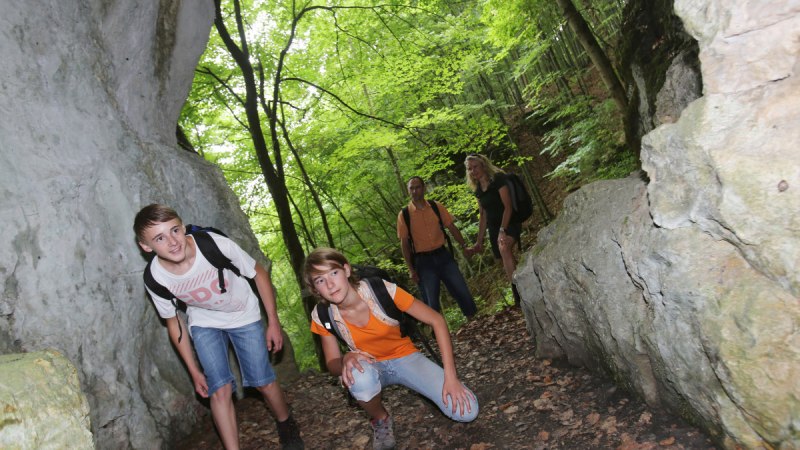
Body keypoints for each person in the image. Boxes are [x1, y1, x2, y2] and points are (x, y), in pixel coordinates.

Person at [133, 204, 303, 450]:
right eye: (160, 238)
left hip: (243, 313)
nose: (172, 242)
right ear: (146, 246)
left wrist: (273, 323)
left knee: (261, 380)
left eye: (175, 231)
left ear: (182, 226)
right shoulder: (156, 278)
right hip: (204, 321)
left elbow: (259, 274)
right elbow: (174, 323)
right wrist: (193, 370)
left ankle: (286, 422)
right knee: (219, 388)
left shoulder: (212, 245)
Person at [305, 248, 478, 450]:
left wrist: (451, 377)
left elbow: (437, 320)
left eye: (334, 273)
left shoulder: (381, 290)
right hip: (369, 365)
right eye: (320, 280)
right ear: (316, 290)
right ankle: (380, 418)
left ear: (346, 270)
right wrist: (345, 359)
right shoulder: (323, 315)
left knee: (467, 412)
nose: (330, 284)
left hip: (406, 357)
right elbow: (332, 363)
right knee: (357, 375)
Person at [397, 176, 478, 318]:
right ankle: (438, 335)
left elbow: (451, 228)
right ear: (408, 191)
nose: (414, 191)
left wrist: (464, 246)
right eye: (411, 188)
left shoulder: (436, 206)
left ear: (424, 188)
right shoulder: (404, 215)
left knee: (461, 290)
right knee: (431, 301)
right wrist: (411, 269)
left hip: (443, 256)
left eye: (417, 187)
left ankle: (475, 320)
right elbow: (404, 244)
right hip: (423, 262)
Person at [464, 154, 522, 305]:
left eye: (475, 166)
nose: (473, 171)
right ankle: (520, 284)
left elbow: (508, 206)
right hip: (494, 228)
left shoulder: (498, 180)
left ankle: (518, 293)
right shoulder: (478, 190)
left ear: (483, 165)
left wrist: (503, 230)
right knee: (504, 256)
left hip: (510, 222)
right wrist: (479, 241)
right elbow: (483, 216)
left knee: (504, 248)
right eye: (469, 169)